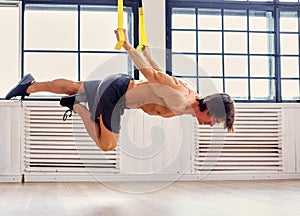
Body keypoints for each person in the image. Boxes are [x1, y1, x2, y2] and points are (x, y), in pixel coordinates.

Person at [5, 29, 235, 151]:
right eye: (214, 119)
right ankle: (75, 104)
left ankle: (29, 86)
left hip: (119, 85)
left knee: (74, 84)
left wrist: (148, 55)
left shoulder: (190, 94)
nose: (211, 124)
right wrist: (126, 44)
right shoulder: (179, 98)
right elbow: (152, 76)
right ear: (209, 107)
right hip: (116, 95)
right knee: (107, 145)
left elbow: (162, 74)